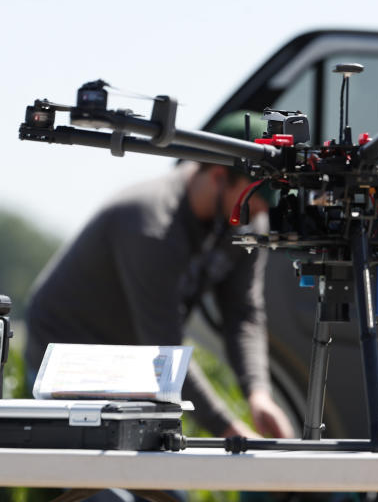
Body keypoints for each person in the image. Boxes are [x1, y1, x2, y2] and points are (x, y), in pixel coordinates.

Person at [26, 113, 295, 441]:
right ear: (218, 177)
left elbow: (243, 313)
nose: (261, 213)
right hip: (70, 360)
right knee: (106, 487)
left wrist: (258, 394)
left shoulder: (247, 221)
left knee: (157, 485)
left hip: (131, 363)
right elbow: (162, 350)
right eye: (253, 200)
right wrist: (232, 431)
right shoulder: (151, 223)